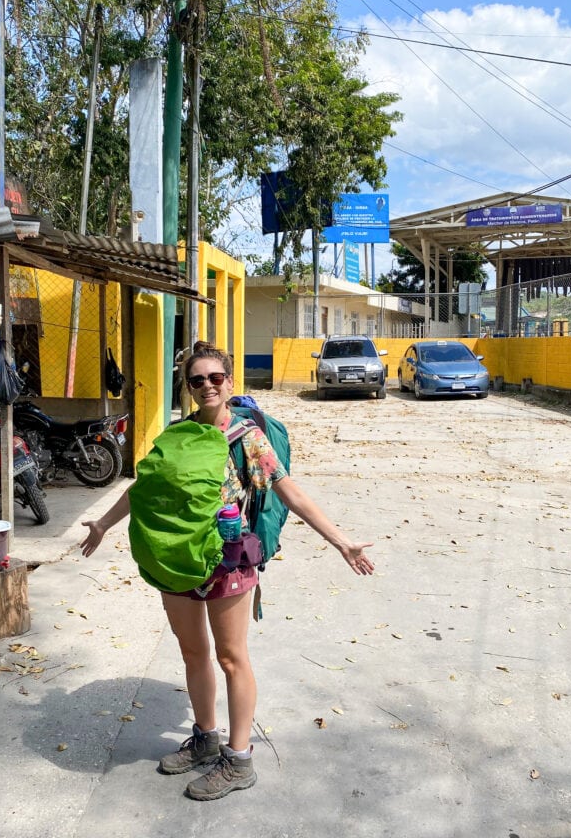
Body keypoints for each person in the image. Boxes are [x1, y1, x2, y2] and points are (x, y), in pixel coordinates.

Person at [80, 340, 374, 801]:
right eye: (197, 380)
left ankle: (238, 760)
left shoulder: (246, 438)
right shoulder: (179, 434)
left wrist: (340, 541)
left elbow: (289, 491)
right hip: (177, 559)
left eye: (215, 378)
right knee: (192, 653)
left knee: (231, 658)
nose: (207, 386)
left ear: (230, 382)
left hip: (229, 562)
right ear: (189, 386)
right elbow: (145, 488)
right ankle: (205, 738)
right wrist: (103, 523)